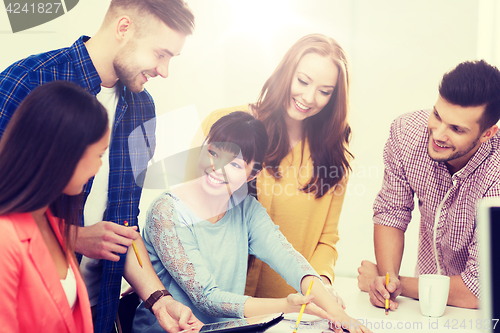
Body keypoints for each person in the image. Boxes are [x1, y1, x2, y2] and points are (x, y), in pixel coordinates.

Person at [0, 1, 201, 332]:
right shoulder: (29, 81)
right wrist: (73, 237)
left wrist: (160, 300)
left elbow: (123, 226)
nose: (164, 71)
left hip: (98, 310)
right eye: (160, 54)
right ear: (124, 28)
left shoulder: (142, 109)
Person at [133, 112, 369, 333]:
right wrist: (285, 305)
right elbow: (206, 298)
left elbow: (289, 259)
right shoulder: (166, 211)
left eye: (235, 164)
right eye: (213, 152)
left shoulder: (247, 209)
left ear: (253, 174)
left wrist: (338, 313)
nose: (217, 168)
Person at [195, 34, 352, 302]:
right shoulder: (223, 123)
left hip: (287, 308)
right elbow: (183, 211)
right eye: (302, 81)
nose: (309, 97)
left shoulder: (333, 158)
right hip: (207, 300)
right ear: (286, 73)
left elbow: (326, 241)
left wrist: (320, 284)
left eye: (325, 91)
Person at [357, 60, 500, 310]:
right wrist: (387, 283)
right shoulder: (406, 133)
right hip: (423, 303)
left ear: (488, 133)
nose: (438, 134)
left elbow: (478, 290)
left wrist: (395, 283)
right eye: (437, 115)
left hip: (483, 313)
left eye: (456, 129)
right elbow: (392, 212)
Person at [0, 81, 108, 332]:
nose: (99, 167)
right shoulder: (5, 238)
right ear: (66, 154)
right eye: (100, 155)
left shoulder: (48, 218)